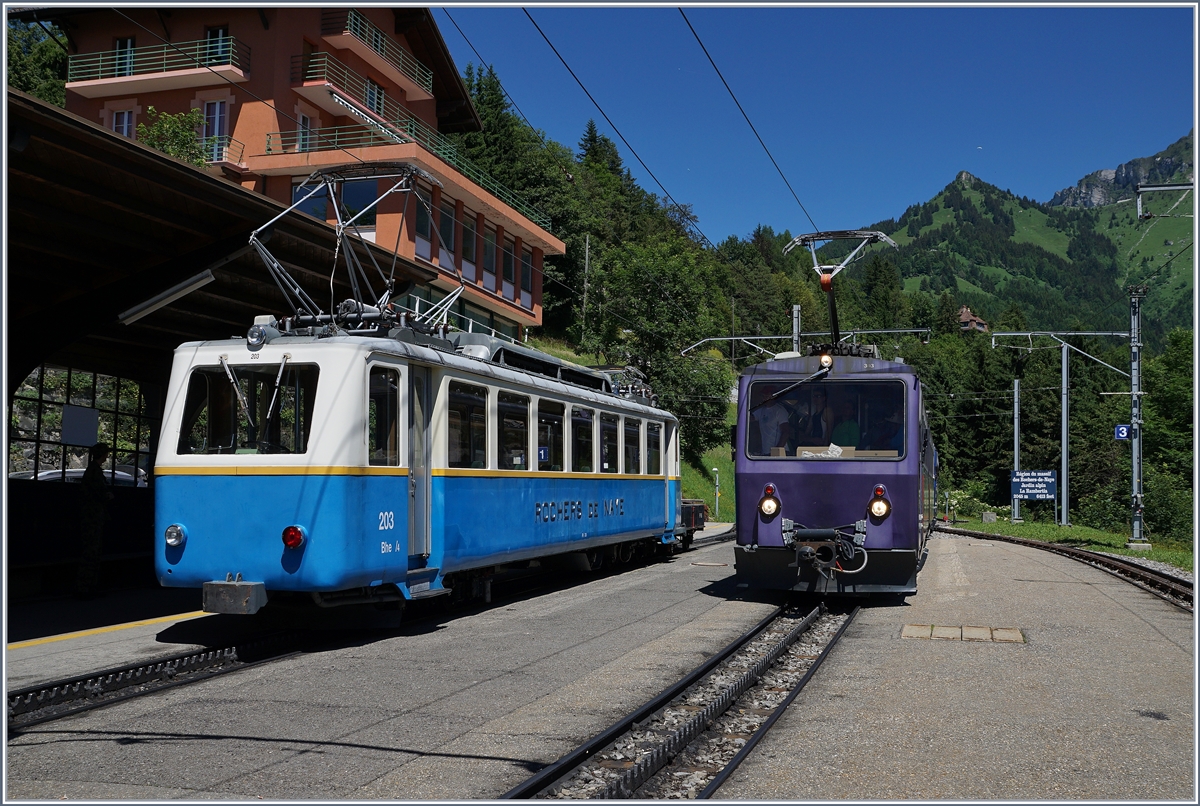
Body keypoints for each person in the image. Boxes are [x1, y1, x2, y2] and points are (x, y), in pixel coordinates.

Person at [77, 442, 113, 598]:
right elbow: (98, 493)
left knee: (92, 551)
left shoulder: (91, 470)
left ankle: (88, 587)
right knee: (91, 552)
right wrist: (108, 496)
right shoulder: (94, 472)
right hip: (93, 517)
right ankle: (86, 587)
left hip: (92, 516)